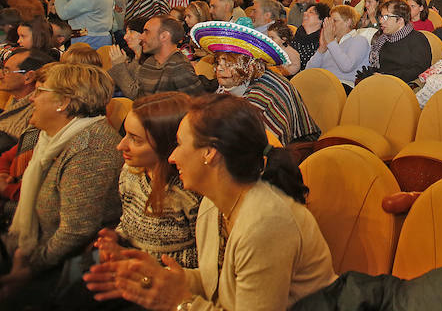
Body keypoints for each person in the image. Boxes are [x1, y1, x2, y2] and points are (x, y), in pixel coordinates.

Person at [83, 94, 336, 310]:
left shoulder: (265, 224)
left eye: (180, 144)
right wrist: (165, 277)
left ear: (209, 153)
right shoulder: (212, 205)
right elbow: (214, 284)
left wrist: (179, 302)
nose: (171, 157)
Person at [0, 63, 122, 305]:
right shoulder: (51, 137)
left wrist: (28, 268)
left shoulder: (91, 149)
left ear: (63, 102)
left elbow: (75, 231)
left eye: (40, 91)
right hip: (32, 246)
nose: (32, 98)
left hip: (61, 266)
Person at [98, 92, 201, 268]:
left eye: (135, 139)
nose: (120, 145)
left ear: (166, 145)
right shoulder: (131, 171)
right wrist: (116, 239)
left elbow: (206, 258)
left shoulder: (191, 192)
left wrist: (142, 261)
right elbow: (129, 223)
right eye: (126, 134)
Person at [193, 23, 321, 148]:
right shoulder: (237, 80)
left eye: (228, 62)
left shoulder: (264, 95)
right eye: (218, 61)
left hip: (295, 148)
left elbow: (250, 143)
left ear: (248, 65)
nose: (219, 69)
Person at [108, 16, 205, 99]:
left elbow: (196, 106)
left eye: (147, 32)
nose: (141, 37)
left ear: (164, 36)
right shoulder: (150, 62)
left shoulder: (179, 67)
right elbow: (139, 98)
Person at [356, 0, 431, 85]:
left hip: (401, 87)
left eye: (386, 17)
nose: (380, 21)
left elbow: (419, 69)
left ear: (400, 20)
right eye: (381, 17)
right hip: (382, 83)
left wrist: (387, 77)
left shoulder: (418, 39)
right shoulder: (383, 39)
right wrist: (372, 74)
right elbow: (380, 66)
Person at [0, 49, 54, 153]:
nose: (1, 75)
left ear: (28, 77)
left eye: (6, 71)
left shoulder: (36, 113)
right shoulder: (15, 100)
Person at [306, 5, 370, 90]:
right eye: (330, 21)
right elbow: (308, 70)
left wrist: (331, 42)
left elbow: (346, 67)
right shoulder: (332, 43)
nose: (331, 24)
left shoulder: (359, 40)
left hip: (344, 87)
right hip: (324, 84)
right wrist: (321, 49)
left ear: (348, 22)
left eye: (335, 21)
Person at [290, 3, 330, 71]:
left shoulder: (322, 42)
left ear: (321, 20)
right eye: (306, 11)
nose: (305, 13)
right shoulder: (297, 34)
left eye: (311, 12)